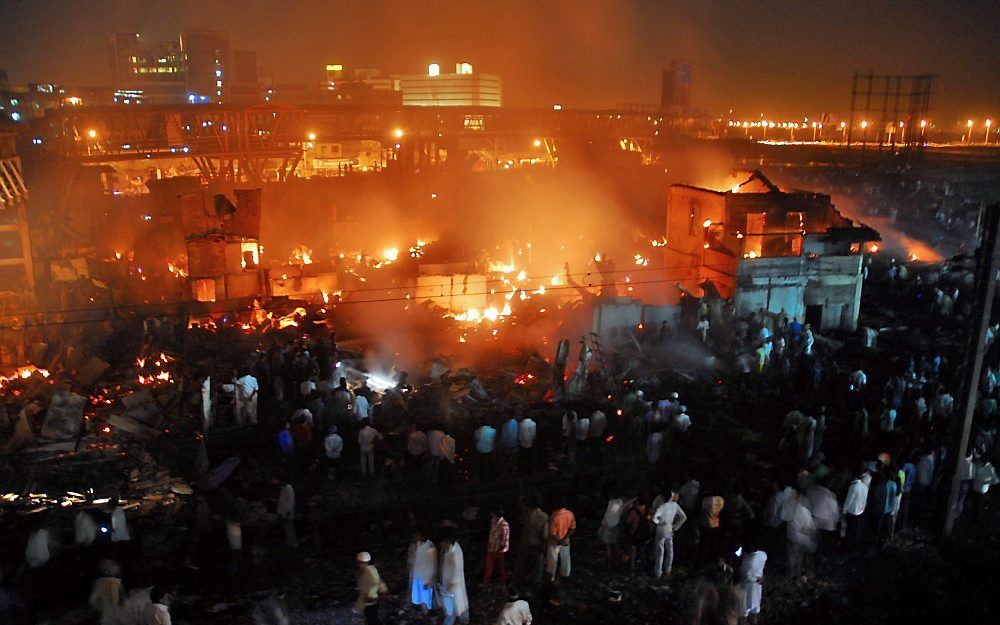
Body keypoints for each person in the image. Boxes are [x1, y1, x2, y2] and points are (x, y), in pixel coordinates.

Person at [651, 490, 687, 579]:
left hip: (661, 530)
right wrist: (676, 526)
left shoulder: (662, 507)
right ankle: (668, 569)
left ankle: (658, 572)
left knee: (660, 552)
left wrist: (659, 522)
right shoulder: (675, 505)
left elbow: (654, 518)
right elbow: (683, 517)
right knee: (670, 550)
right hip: (670, 530)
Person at [515, 497, 548, 584]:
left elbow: (521, 505)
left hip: (526, 543)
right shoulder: (543, 517)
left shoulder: (527, 513)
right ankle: (535, 584)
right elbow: (544, 536)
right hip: (537, 545)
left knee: (522, 564)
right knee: (537, 567)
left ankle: (519, 581)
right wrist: (543, 548)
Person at [439, 534, 470, 624]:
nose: (441, 545)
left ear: (446, 543)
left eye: (442, 543)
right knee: (455, 609)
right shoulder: (450, 551)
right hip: (449, 586)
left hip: (453, 586)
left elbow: (454, 571)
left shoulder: (454, 555)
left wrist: (448, 587)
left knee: (455, 609)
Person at [546, 498, 576, 581]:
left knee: (552, 560)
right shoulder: (570, 514)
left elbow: (552, 533)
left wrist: (558, 540)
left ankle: (551, 578)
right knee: (566, 558)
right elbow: (572, 528)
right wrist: (565, 538)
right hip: (565, 541)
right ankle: (565, 575)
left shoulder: (554, 516)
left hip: (555, 542)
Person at [407, 530, 437, 613]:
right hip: (414, 574)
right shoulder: (412, 546)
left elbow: (431, 564)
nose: (415, 537)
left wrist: (428, 579)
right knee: (416, 595)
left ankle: (427, 613)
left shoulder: (429, 547)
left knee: (425, 597)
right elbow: (410, 560)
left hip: (424, 576)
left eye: (417, 535)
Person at [355, 552, 387, 625]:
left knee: (372, 618)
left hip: (371, 600)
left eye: (362, 563)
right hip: (367, 599)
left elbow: (378, 581)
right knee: (370, 617)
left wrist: (383, 590)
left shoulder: (370, 571)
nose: (361, 565)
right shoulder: (364, 571)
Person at [89, 560, 125, 625]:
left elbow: (93, 602)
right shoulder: (114, 583)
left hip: (111, 618)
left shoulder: (115, 582)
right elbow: (122, 600)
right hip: (113, 618)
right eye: (113, 566)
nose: (116, 567)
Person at [624, 496, 651, 577]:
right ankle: (642, 571)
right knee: (642, 554)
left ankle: (631, 572)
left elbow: (627, 522)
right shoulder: (647, 511)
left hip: (634, 535)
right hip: (644, 536)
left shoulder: (634, 512)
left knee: (632, 554)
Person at [842, 471, 870, 548]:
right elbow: (865, 499)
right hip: (861, 510)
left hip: (852, 511)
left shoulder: (853, 487)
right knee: (857, 528)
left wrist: (844, 511)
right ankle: (856, 543)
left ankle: (848, 546)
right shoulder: (865, 486)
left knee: (850, 529)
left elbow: (848, 500)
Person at [740, 546, 767, 622]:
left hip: (748, 586)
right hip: (757, 585)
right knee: (755, 610)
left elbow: (748, 575)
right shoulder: (763, 555)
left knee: (744, 610)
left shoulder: (749, 560)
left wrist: (756, 579)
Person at [485, 507, 511, 586]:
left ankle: (504, 584)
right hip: (491, 548)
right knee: (488, 568)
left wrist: (497, 552)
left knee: (501, 568)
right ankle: (486, 584)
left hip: (499, 551)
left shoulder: (504, 525)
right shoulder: (493, 521)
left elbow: (504, 542)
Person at [597, 492, 625, 566]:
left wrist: (603, 523)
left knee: (608, 544)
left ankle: (610, 559)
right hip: (616, 523)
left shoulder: (611, 503)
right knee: (615, 542)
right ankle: (617, 557)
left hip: (608, 524)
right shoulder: (620, 502)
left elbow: (607, 515)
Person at [276, 483, 297, 547]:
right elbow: (281, 501)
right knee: (286, 528)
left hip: (288, 512)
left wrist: (288, 512)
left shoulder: (289, 488)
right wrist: (279, 513)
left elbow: (291, 501)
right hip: (283, 512)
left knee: (289, 527)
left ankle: (293, 542)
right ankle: (288, 542)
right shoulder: (283, 489)